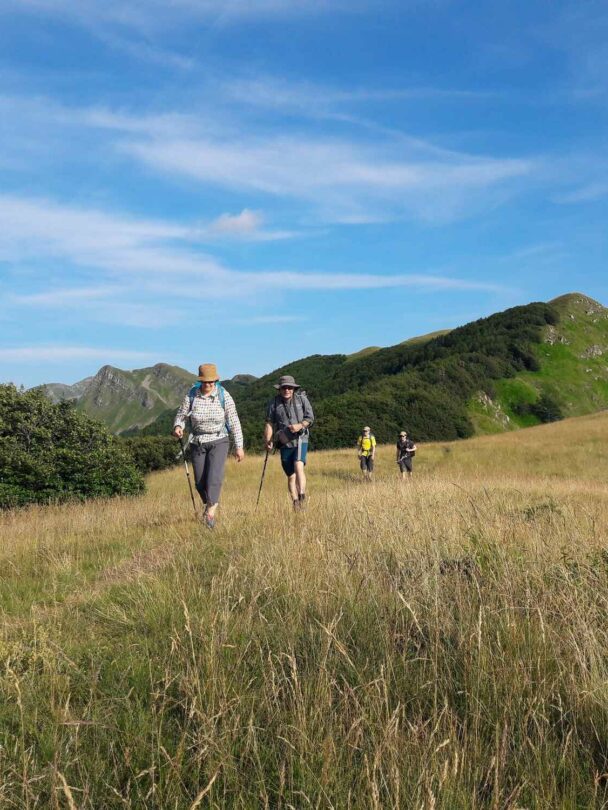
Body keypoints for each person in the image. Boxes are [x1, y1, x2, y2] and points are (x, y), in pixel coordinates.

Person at [173, 363, 244, 528]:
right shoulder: (192, 395)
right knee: (200, 482)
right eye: (205, 382)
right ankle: (209, 503)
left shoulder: (223, 395)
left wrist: (239, 446)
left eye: (212, 382)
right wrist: (178, 427)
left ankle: (210, 515)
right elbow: (181, 416)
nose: (208, 385)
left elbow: (234, 421)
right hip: (197, 442)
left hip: (219, 440)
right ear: (200, 381)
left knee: (214, 477)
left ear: (216, 381)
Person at [264, 375, 314, 511]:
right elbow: (269, 423)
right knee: (291, 475)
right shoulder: (273, 403)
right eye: (284, 387)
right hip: (284, 442)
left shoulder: (302, 400)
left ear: (293, 388)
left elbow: (310, 418)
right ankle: (295, 502)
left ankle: (302, 496)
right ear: (279, 389)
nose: (287, 390)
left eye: (290, 388)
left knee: (299, 466)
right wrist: (268, 440)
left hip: (300, 438)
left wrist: (300, 425)